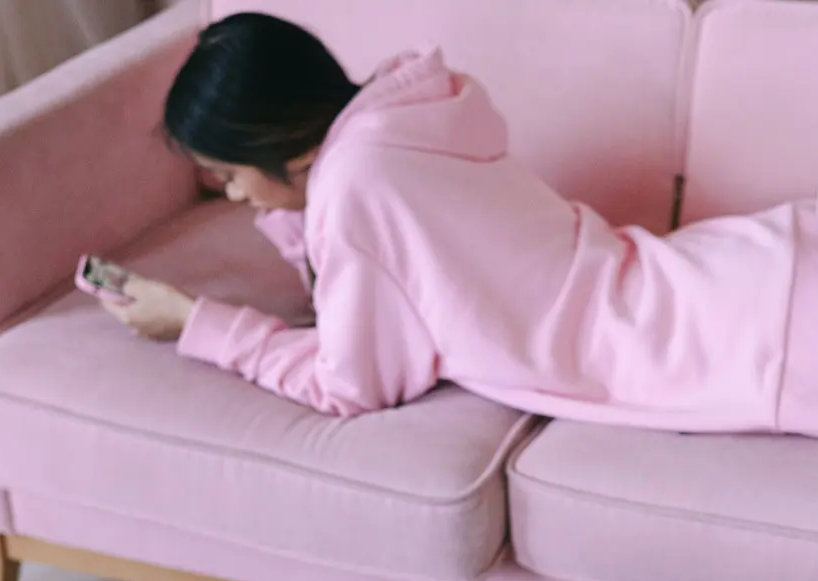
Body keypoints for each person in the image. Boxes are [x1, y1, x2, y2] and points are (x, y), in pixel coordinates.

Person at [101, 12, 818, 436]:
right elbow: (366, 296)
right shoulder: (402, 117)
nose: (230, 196)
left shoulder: (357, 182)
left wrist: (198, 323)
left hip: (746, 336)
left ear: (275, 140)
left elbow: (350, 384)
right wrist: (300, 212)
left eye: (228, 174)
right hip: (742, 268)